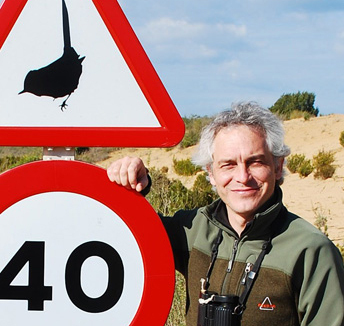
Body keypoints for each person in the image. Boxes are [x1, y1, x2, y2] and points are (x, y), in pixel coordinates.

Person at [107, 102, 344, 326]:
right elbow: (125, 232)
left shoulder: (310, 250)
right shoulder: (193, 230)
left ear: (278, 166)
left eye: (256, 162)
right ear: (211, 173)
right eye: (228, 164)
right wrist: (135, 183)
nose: (242, 177)